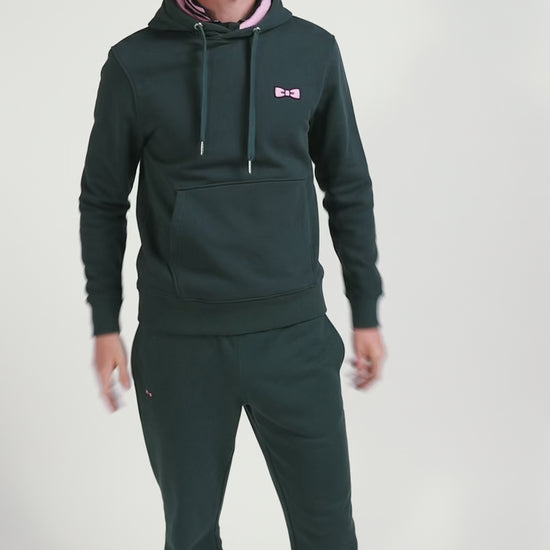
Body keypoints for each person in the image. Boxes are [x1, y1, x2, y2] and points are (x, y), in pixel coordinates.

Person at [78, 0, 387, 548]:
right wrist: (106, 323)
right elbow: (103, 200)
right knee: (191, 535)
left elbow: (347, 184)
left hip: (295, 340)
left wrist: (365, 309)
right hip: (180, 348)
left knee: (329, 534)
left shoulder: (313, 50)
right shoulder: (133, 62)